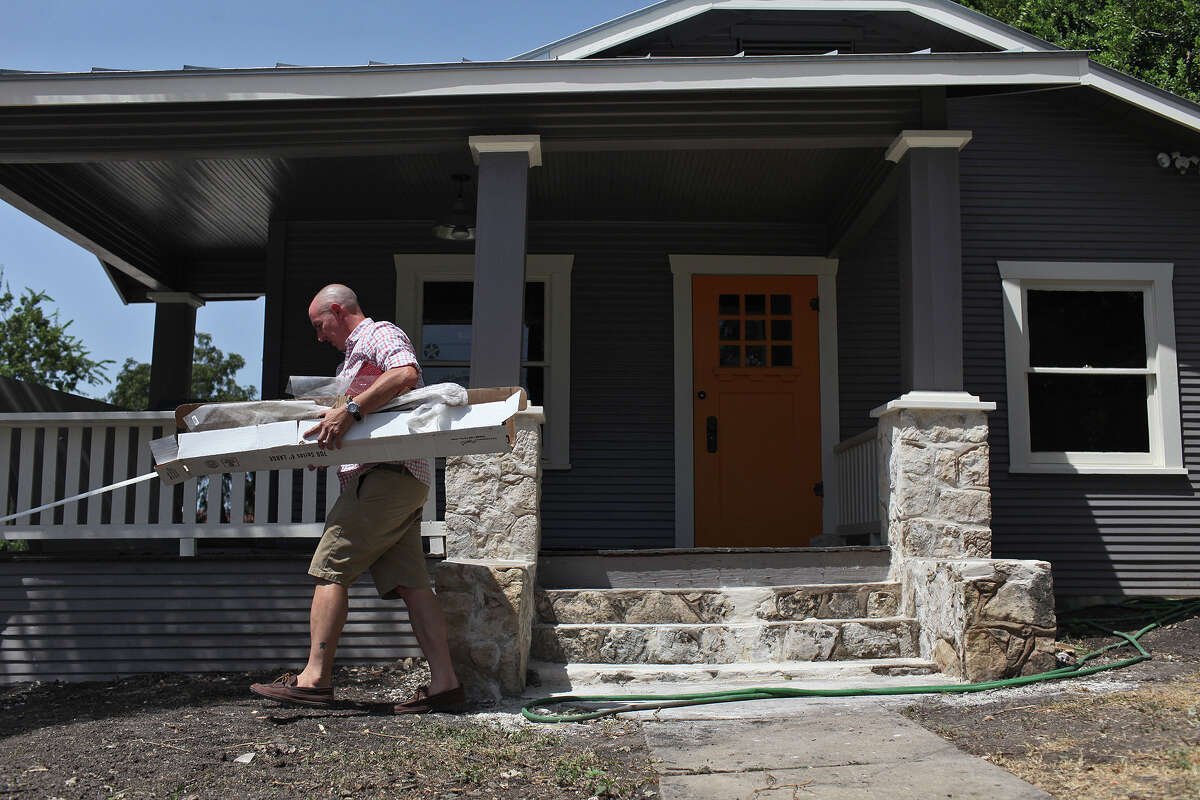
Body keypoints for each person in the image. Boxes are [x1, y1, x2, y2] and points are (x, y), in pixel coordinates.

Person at [250, 283, 464, 714]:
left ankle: (314, 678)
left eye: (319, 325)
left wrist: (349, 410)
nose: (318, 335)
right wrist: (330, 439)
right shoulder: (350, 363)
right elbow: (370, 415)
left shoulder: (378, 334)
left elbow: (405, 373)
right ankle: (445, 684)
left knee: (330, 568)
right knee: (412, 585)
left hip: (385, 477)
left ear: (336, 309)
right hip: (401, 478)